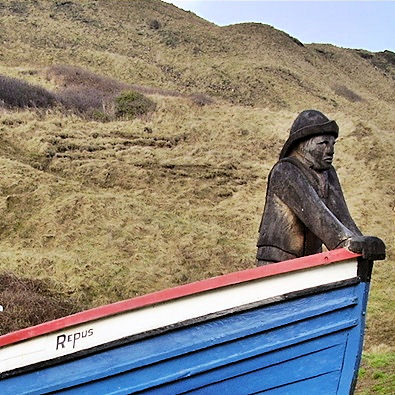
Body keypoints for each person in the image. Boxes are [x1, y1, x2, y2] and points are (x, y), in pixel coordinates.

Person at [256, 110, 385, 265]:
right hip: (276, 262)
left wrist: (361, 242)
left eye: (332, 144)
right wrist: (346, 244)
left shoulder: (328, 173)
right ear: (302, 144)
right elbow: (316, 214)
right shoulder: (285, 170)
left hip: (311, 262)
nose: (330, 150)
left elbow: (342, 217)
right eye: (323, 143)